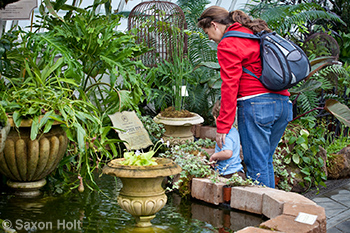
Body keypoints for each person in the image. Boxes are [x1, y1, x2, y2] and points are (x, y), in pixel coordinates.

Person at [197, 6, 293, 188]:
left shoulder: (228, 43)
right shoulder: (253, 33)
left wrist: (223, 126)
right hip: (282, 104)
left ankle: (261, 215)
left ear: (215, 25)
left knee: (257, 166)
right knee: (265, 161)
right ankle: (271, 213)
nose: (208, 37)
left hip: (257, 106)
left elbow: (229, 87)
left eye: (207, 31)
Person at [209, 99, 245, 179]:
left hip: (228, 173)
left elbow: (227, 153)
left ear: (216, 117)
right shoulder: (234, 131)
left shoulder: (225, 135)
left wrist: (214, 156)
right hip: (237, 171)